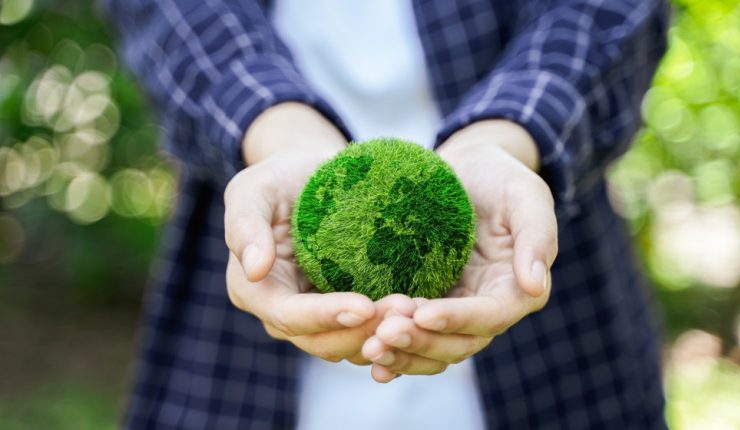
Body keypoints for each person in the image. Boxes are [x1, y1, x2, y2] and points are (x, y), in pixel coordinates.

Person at [104, 0, 670, 428]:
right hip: (246, 310)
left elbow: (606, 11)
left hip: (545, 302)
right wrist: (278, 132)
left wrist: (506, 138)